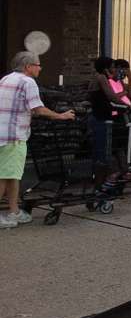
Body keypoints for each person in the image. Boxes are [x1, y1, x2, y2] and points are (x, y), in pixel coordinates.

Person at [0, 52, 75, 228]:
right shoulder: (28, 82)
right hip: (13, 137)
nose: (40, 68)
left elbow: (16, 105)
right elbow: (39, 109)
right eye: (38, 64)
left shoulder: (5, 80)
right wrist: (60, 115)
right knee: (4, 176)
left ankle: (14, 211)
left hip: (4, 134)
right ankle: (12, 212)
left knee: (12, 176)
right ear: (28, 67)